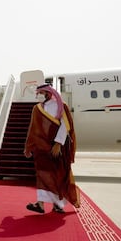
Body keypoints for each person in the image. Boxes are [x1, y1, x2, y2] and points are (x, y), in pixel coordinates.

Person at [24, 83, 80, 214]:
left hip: (57, 148)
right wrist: (29, 146)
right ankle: (40, 204)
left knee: (58, 175)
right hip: (42, 149)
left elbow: (65, 126)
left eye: (41, 93)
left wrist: (58, 144)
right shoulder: (37, 108)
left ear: (48, 93)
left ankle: (58, 204)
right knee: (42, 175)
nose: (38, 96)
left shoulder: (62, 106)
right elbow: (34, 129)